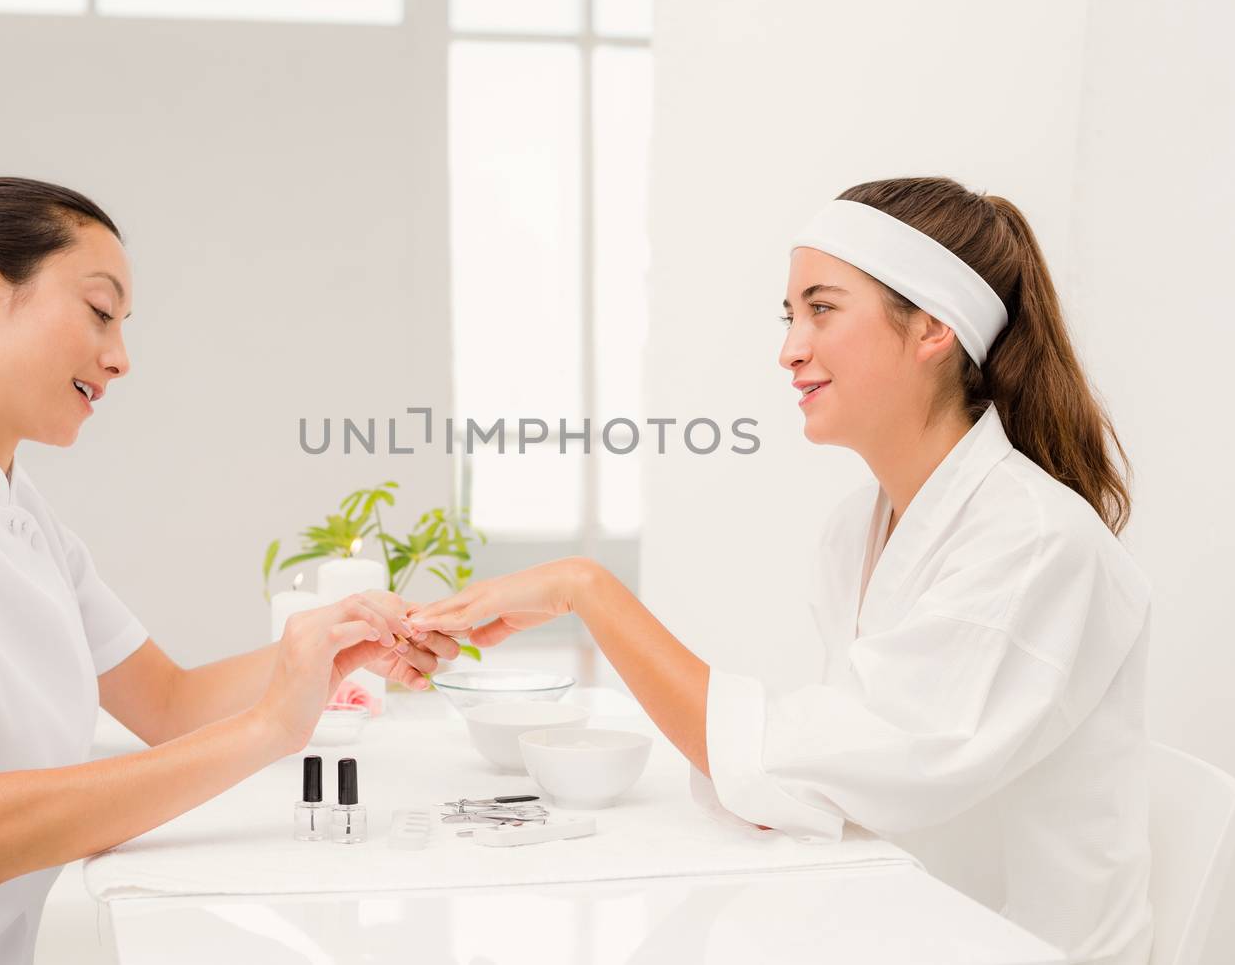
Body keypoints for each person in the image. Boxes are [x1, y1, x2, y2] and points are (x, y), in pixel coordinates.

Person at [408, 177, 1154, 965]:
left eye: (822, 308)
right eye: (790, 315)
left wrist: (584, 589)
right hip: (899, 916)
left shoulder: (1033, 541)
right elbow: (826, 771)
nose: (790, 348)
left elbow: (818, 764)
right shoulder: (856, 532)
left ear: (934, 325)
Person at [0, 177, 456, 964]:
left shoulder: (19, 511)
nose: (120, 358)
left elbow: (170, 703)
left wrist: (324, 647)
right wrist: (270, 728)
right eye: (100, 312)